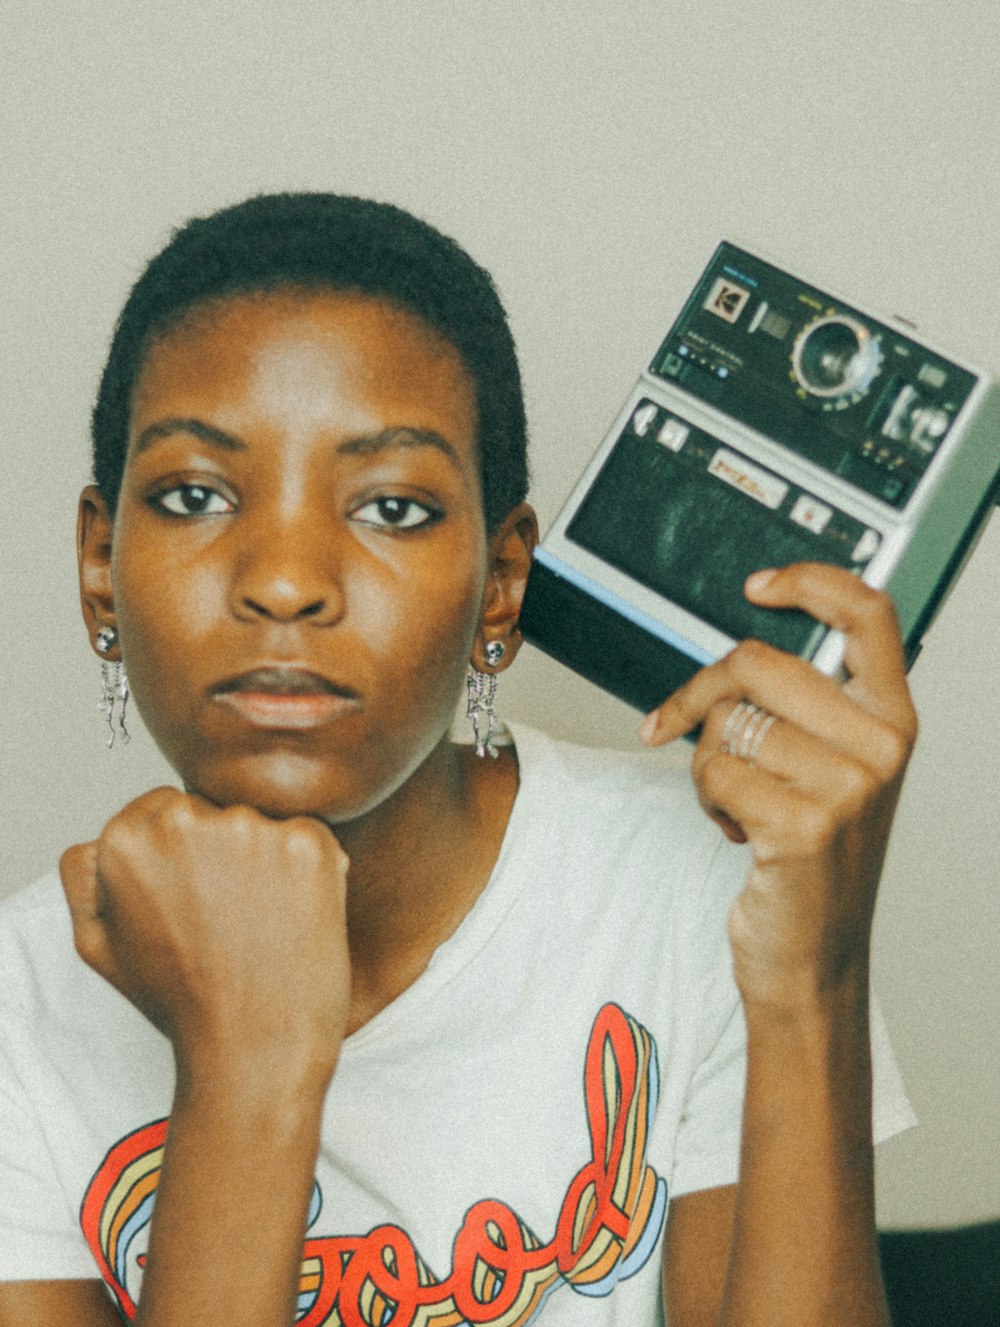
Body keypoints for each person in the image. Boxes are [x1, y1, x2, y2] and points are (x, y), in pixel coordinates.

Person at [0, 193, 918, 1327]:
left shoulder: (699, 885)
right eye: (196, 496)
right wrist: (248, 1066)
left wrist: (809, 980)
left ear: (500, 585)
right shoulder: (17, 1012)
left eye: (391, 506)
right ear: (101, 564)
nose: (286, 581)